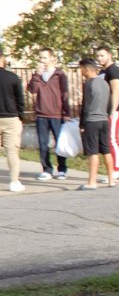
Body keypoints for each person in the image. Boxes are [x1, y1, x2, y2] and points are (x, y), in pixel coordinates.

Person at [27, 47, 70, 180]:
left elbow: (65, 94)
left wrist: (67, 112)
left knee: (60, 143)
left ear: (52, 58)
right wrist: (36, 75)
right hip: (41, 114)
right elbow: (32, 90)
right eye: (40, 58)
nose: (42, 60)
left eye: (45, 57)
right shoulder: (38, 75)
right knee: (43, 143)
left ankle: (62, 169)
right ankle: (47, 169)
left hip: (57, 114)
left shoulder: (59, 74)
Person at [76, 57, 114, 190]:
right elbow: (109, 104)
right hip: (104, 120)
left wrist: (81, 125)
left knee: (93, 152)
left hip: (92, 121)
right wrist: (106, 115)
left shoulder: (89, 84)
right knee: (106, 150)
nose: (80, 72)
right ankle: (111, 180)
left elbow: (85, 106)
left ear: (86, 69)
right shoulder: (105, 84)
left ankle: (92, 182)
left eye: (81, 69)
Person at [95, 46, 119, 183]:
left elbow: (116, 91)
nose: (99, 58)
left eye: (102, 55)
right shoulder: (103, 71)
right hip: (104, 110)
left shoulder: (114, 70)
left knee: (112, 139)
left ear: (109, 55)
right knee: (107, 140)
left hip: (116, 110)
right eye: (98, 56)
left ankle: (118, 171)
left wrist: (113, 110)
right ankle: (112, 170)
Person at [0, 47, 26, 192]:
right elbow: (20, 99)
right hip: (10, 117)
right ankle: (14, 181)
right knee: (11, 151)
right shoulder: (13, 77)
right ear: (2, 58)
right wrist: (20, 115)